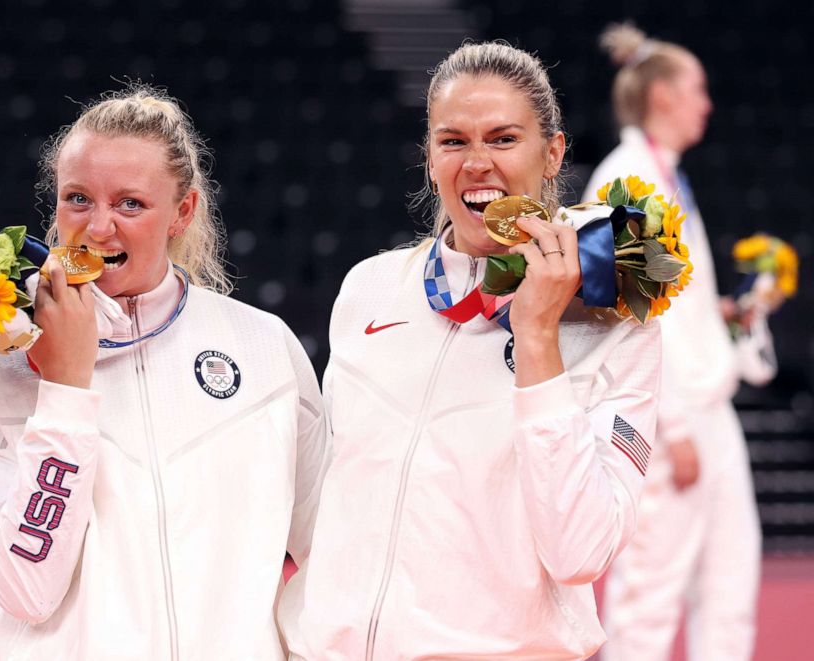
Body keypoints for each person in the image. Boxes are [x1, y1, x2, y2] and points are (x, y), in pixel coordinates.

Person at [278, 41, 662, 660]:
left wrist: (537, 338)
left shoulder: (614, 323)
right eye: (453, 141)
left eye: (503, 138)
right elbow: (328, 497)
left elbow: (581, 552)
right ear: (430, 159)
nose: (476, 163)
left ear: (552, 153)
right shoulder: (370, 287)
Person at [0, 87, 328, 660]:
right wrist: (66, 387)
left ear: (183, 212)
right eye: (78, 199)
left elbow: (329, 553)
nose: (99, 228)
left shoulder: (262, 346)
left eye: (130, 204)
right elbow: (24, 591)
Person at [582, 23, 767, 661]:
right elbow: (628, 316)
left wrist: (719, 317)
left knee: (730, 584)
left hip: (709, 407)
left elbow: (668, 302)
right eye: (698, 89)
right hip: (665, 418)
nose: (707, 104)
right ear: (661, 95)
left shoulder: (665, 175)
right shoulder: (628, 181)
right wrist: (677, 425)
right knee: (648, 599)